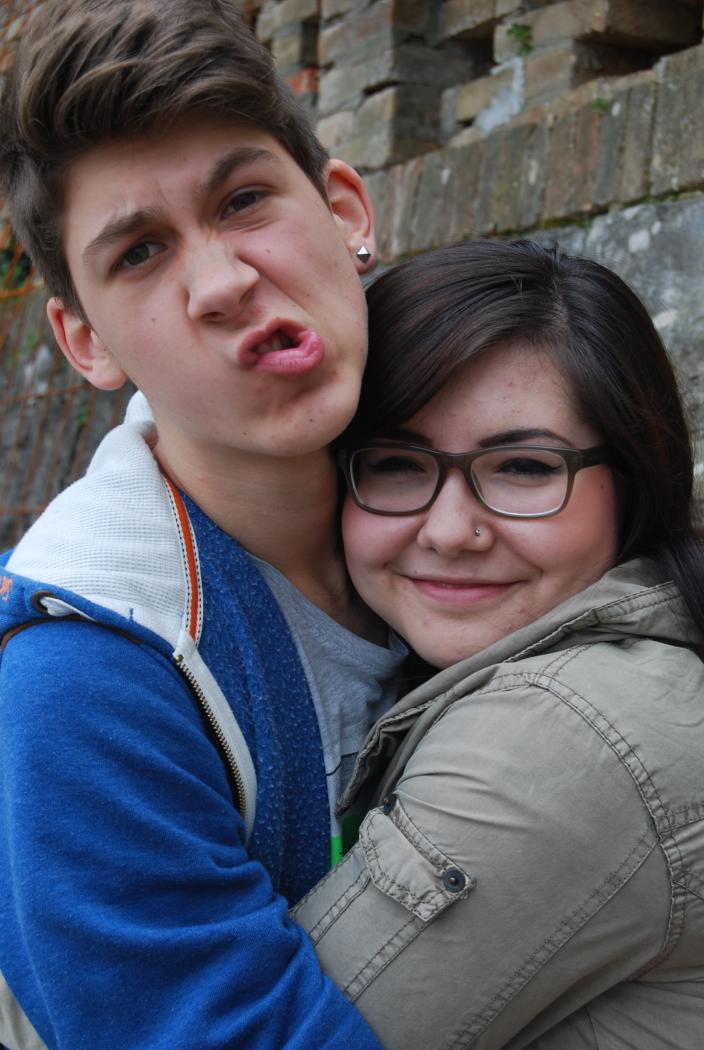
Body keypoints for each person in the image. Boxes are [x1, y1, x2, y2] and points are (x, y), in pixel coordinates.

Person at [0, 2, 407, 1047]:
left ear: (346, 212)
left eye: (245, 200)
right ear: (86, 343)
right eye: (140, 252)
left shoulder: (500, 476)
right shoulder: (83, 678)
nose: (224, 283)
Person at [294, 240, 704, 1049]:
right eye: (397, 464)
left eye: (522, 466)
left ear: (632, 483)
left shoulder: (565, 736)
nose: (450, 531)